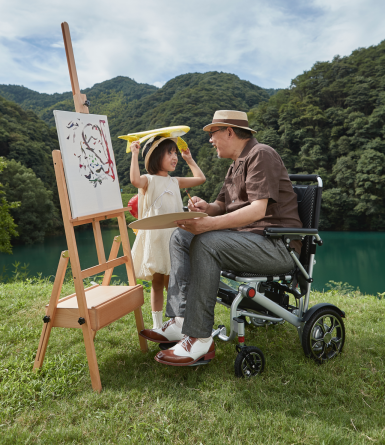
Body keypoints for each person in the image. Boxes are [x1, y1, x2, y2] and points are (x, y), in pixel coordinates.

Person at [140, 110, 303, 366]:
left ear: (229, 131)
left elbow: (258, 210)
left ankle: (200, 338)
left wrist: (210, 225)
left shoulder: (261, 154)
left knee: (206, 241)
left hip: (276, 247)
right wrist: (206, 208)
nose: (210, 140)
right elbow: (221, 205)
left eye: (212, 133)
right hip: (246, 242)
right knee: (181, 236)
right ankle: (181, 321)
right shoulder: (235, 165)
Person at [130, 135, 206, 332]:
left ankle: (177, 322)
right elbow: (134, 180)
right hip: (156, 239)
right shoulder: (149, 180)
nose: (175, 157)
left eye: (175, 153)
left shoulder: (175, 181)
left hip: (174, 238)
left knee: (173, 282)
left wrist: (189, 159)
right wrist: (135, 154)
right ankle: (157, 326)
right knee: (157, 283)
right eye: (169, 153)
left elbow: (200, 178)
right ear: (156, 156)